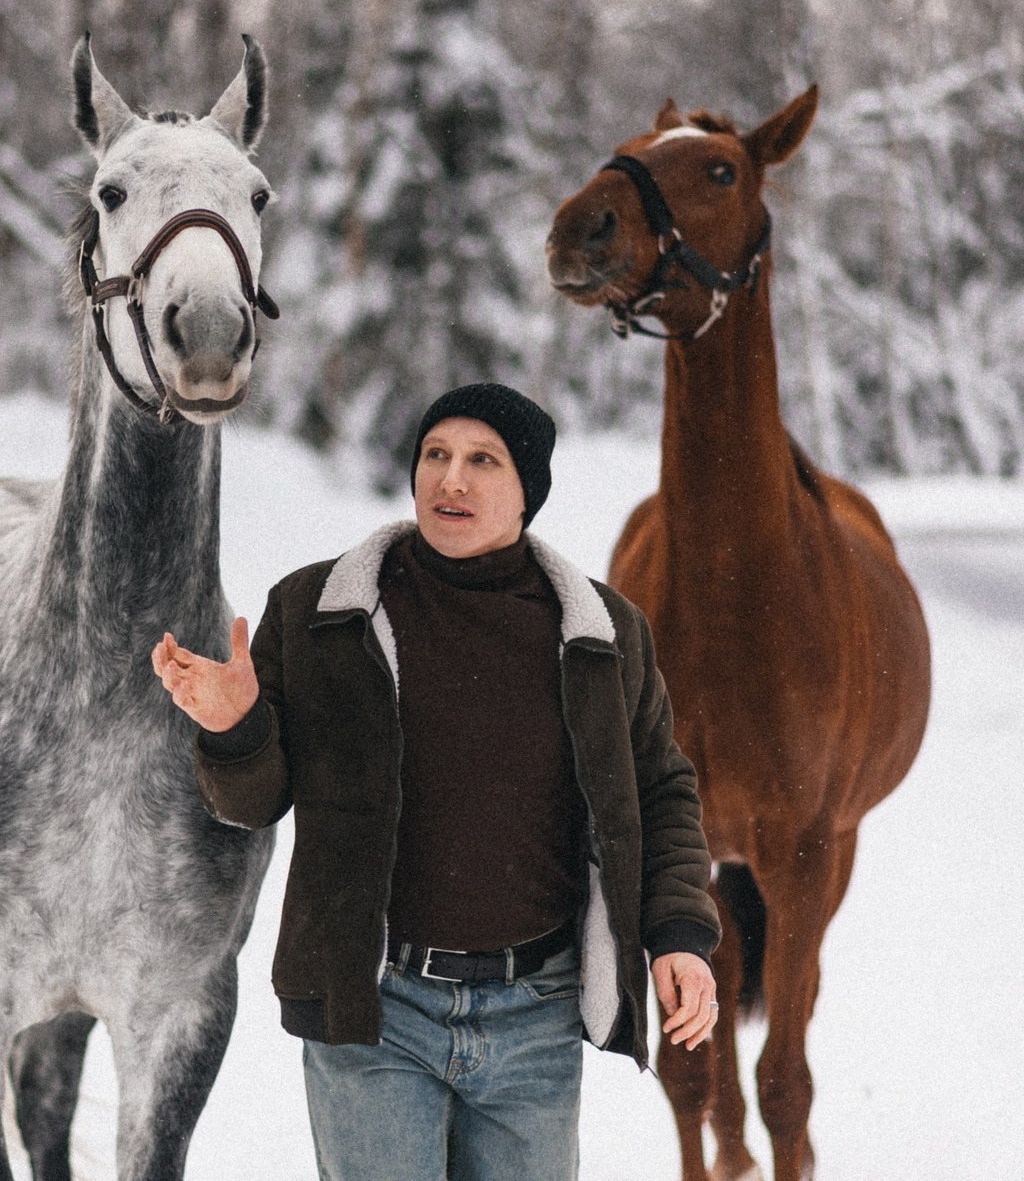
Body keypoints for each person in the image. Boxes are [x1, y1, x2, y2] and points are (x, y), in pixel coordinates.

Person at [152, 383, 720, 1181]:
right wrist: (235, 722)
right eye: (435, 456)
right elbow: (249, 801)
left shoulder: (602, 633)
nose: (452, 479)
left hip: (538, 1011)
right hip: (378, 1007)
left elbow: (661, 792)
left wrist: (680, 936)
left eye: (483, 461)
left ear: (529, 491)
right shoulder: (320, 612)